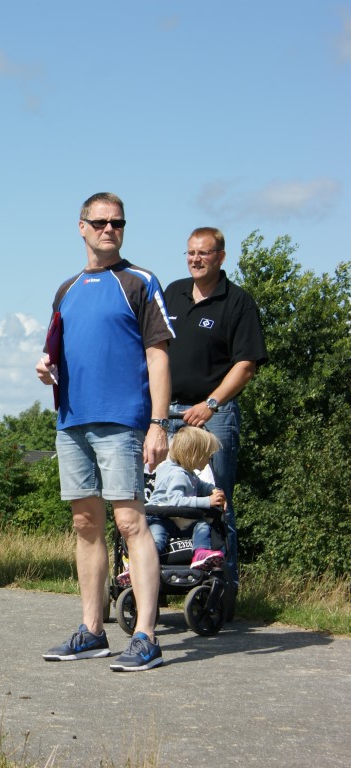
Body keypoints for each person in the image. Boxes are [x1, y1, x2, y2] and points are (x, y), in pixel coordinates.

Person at [35, 192, 173, 672]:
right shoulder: (66, 289)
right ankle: (92, 632)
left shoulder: (139, 282)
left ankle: (146, 636)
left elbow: (158, 355)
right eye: (100, 222)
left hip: (123, 422)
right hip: (72, 420)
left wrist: (158, 423)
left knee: (131, 522)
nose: (109, 229)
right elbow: (58, 348)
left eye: (118, 222)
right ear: (81, 227)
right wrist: (46, 366)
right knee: (85, 525)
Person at [163, 227, 267, 594]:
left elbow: (246, 365)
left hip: (212, 415)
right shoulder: (171, 293)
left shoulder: (237, 301)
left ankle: (223, 588)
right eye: (190, 252)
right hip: (168, 413)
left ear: (221, 257)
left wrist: (210, 405)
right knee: (162, 497)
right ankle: (167, 581)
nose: (195, 259)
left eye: (203, 253)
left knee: (216, 498)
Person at [137, 426, 226, 580]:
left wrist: (213, 490)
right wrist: (208, 501)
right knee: (157, 539)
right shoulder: (178, 475)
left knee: (202, 525)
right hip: (162, 518)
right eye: (207, 456)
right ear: (194, 455)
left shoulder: (187, 472)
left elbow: (201, 484)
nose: (209, 459)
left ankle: (201, 553)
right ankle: (138, 565)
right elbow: (175, 501)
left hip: (177, 521)